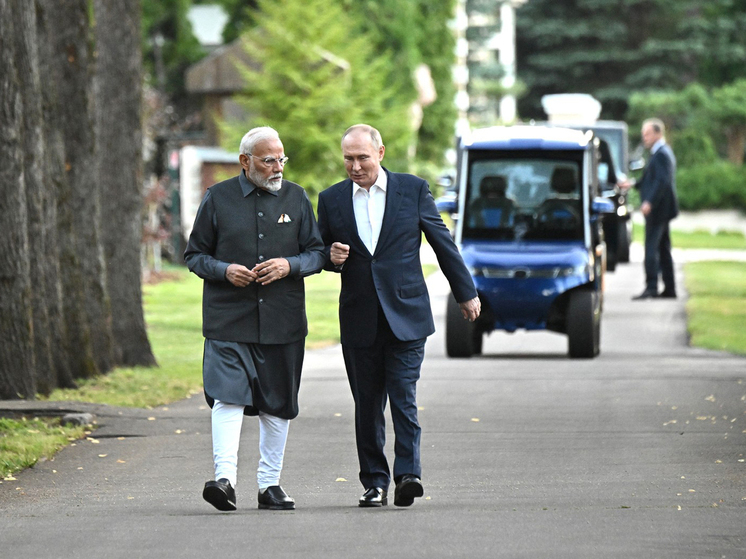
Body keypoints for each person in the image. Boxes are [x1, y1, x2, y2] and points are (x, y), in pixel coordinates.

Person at [317, 124, 481, 508]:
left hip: (406, 313)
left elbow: (442, 241)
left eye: (362, 158)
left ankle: (408, 474)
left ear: (381, 153)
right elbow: (317, 250)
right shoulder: (331, 199)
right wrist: (329, 258)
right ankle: (375, 482)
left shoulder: (412, 189)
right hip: (359, 317)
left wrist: (466, 292)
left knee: (403, 397)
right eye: (348, 159)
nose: (355, 166)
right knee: (367, 405)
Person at [185, 126, 325, 511]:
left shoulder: (296, 198)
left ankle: (269, 486)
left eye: (282, 158)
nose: (278, 166)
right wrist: (224, 270)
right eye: (269, 160)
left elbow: (317, 253)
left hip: (283, 320)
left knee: (278, 402)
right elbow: (195, 255)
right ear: (245, 162)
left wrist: (289, 265)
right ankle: (224, 480)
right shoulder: (217, 198)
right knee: (227, 397)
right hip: (228, 319)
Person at [625, 118, 679, 299]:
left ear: (658, 133)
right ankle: (670, 289)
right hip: (662, 210)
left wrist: (649, 202)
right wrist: (632, 184)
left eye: (647, 134)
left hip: (658, 211)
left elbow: (662, 182)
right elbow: (651, 178)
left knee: (651, 249)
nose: (645, 137)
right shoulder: (659, 152)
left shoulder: (662, 154)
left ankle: (651, 287)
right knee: (663, 249)